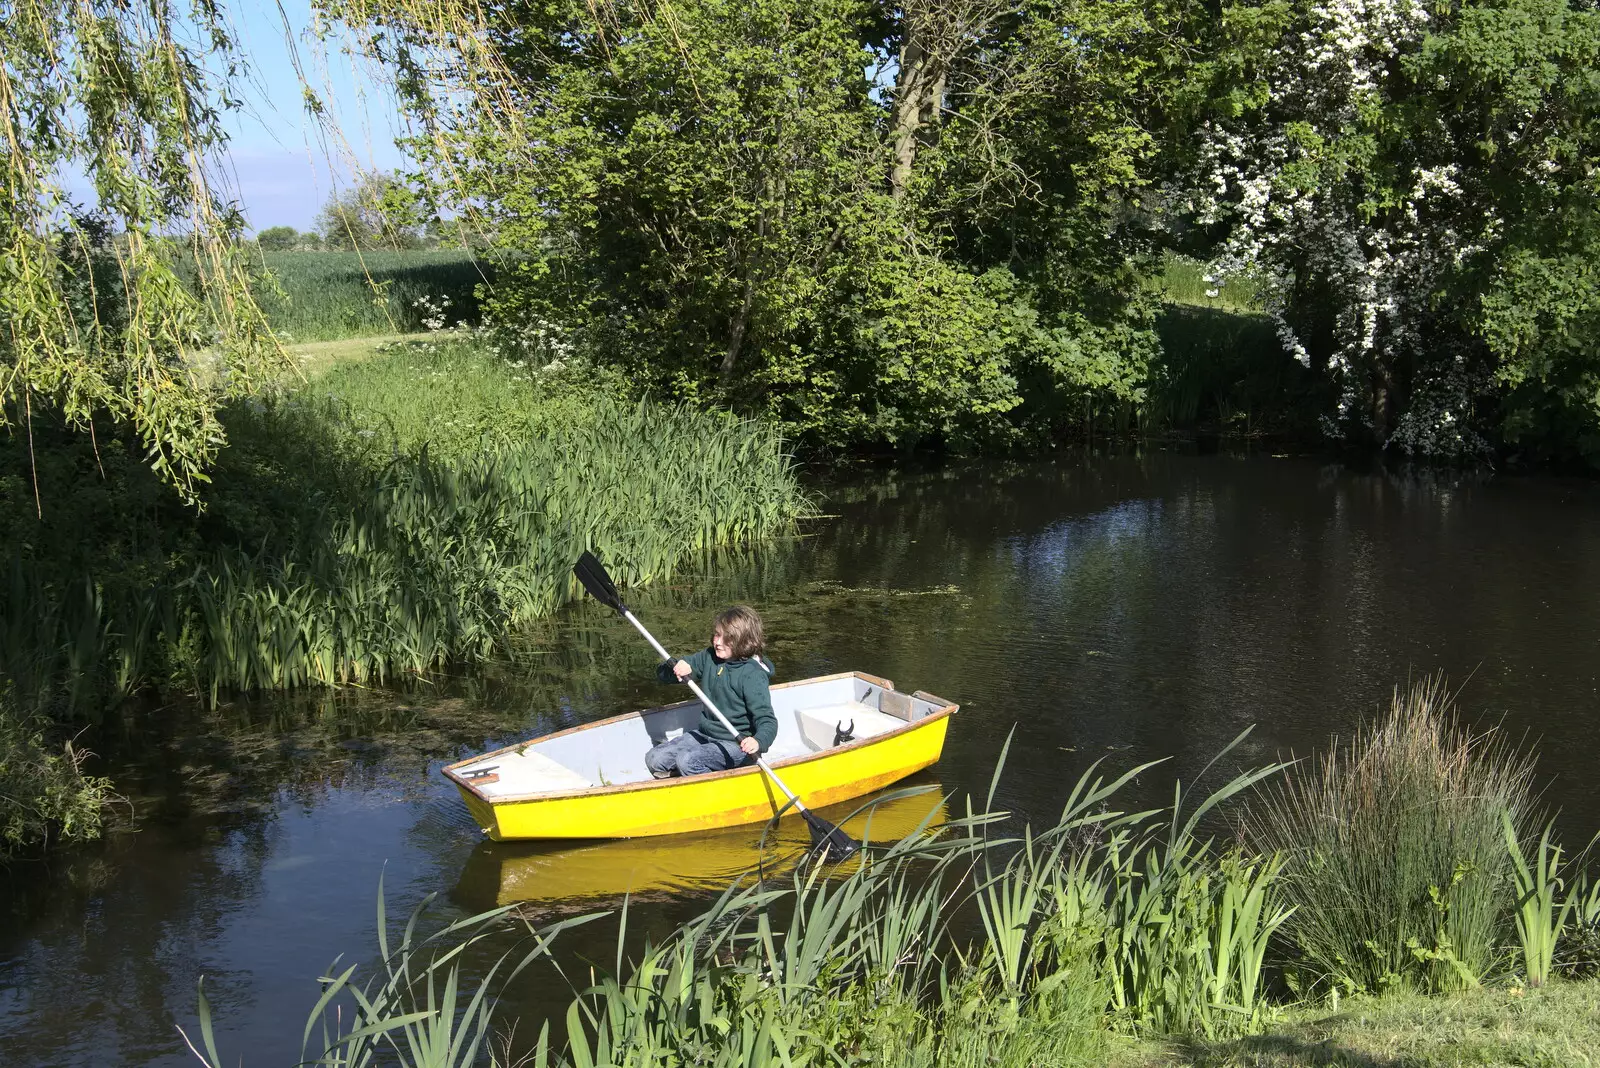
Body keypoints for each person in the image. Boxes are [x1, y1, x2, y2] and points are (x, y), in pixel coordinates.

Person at [645, 605, 777, 778]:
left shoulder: (752, 675)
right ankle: (689, 776)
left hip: (737, 745)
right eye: (716, 634)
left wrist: (758, 742)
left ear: (744, 640)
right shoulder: (709, 657)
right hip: (706, 734)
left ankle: (713, 784)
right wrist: (676, 667)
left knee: (688, 761)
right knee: (654, 758)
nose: (717, 642)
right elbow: (663, 674)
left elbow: (767, 720)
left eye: (726, 638)